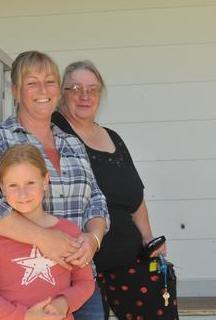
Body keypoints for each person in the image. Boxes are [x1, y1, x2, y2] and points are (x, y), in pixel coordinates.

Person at [0, 51, 109, 319]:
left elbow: (97, 201)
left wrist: (93, 239)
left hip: (79, 286)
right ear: (16, 91)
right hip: (22, 294)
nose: (43, 90)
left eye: (50, 82)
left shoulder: (73, 143)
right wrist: (44, 238)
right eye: (32, 83)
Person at [52, 60, 179, 320]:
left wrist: (148, 238)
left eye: (92, 89)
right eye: (75, 88)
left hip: (129, 262)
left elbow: (135, 197)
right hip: (80, 264)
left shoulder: (112, 137)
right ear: (61, 95)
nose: (84, 96)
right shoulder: (54, 133)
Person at [0, 144, 95, 320]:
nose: (23, 193)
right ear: (2, 186)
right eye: (13, 185)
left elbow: (85, 282)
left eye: (30, 183)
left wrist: (64, 302)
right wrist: (23, 316)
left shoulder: (69, 231)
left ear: (45, 181)